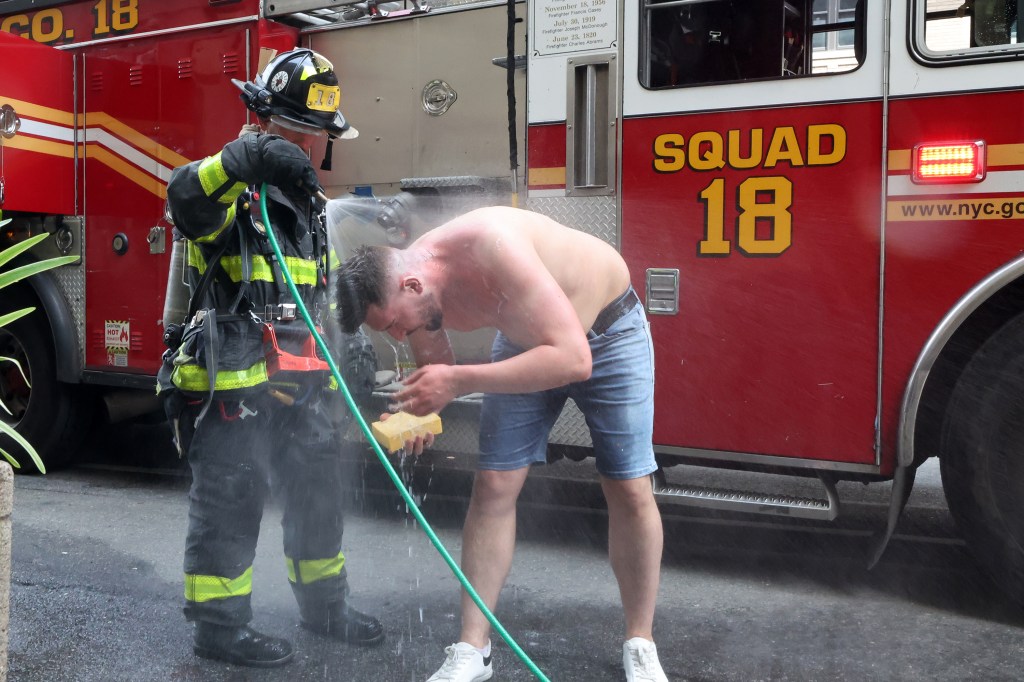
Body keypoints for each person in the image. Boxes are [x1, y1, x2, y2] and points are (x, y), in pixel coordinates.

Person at [335, 206, 669, 682]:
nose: (395, 336)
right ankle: (473, 649)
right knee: (492, 485)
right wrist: (419, 413)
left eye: (391, 324)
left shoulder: (492, 245)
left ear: (411, 285)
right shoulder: (420, 296)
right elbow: (439, 369)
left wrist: (458, 381)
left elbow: (574, 358)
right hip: (526, 344)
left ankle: (640, 641)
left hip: (607, 336)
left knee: (629, 487)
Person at [159, 48, 383, 668]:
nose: (312, 148)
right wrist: (242, 161)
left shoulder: (310, 206)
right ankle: (220, 629)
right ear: (266, 124)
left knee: (319, 496)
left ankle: (326, 608)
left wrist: (351, 350)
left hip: (303, 386)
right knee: (231, 505)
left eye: (319, 136)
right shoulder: (232, 185)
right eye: (302, 133)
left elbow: (319, 294)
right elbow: (186, 200)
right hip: (237, 393)